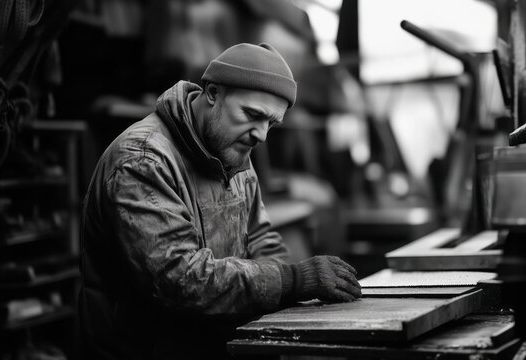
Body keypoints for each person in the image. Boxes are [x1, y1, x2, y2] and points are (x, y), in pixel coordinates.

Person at [79, 43, 362, 360]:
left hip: (210, 346)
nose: (262, 135)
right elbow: (178, 279)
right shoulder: (143, 161)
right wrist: (292, 280)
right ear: (212, 93)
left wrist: (296, 308)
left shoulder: (234, 153)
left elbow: (260, 237)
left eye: (271, 123)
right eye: (253, 115)